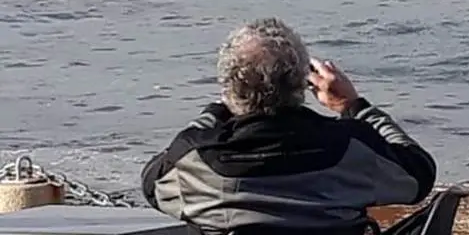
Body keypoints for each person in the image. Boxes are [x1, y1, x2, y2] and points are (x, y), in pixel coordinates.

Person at [141, 18, 436, 235]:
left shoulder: (194, 160)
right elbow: (418, 174)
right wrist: (354, 106)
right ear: (302, 83)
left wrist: (217, 111)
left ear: (229, 88)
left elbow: (152, 183)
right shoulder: (352, 148)